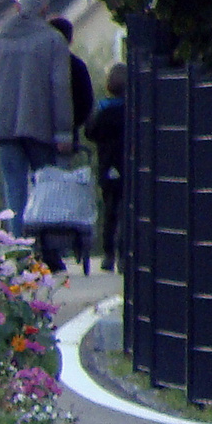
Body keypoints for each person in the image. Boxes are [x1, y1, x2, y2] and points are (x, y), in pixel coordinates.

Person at [0, 0, 73, 265]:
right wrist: (64, 130)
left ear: (17, 8)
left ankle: (18, 249)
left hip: (6, 128)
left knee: (14, 190)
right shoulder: (53, 40)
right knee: (44, 191)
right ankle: (46, 252)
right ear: (44, 10)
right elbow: (60, 87)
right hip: (42, 128)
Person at [85, 63, 127, 271]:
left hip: (108, 165)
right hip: (128, 165)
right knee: (128, 209)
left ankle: (108, 253)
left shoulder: (103, 109)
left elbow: (90, 132)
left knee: (110, 209)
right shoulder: (134, 109)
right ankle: (125, 254)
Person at [49, 16, 95, 148]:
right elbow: (86, 102)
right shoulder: (77, 66)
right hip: (68, 133)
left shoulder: (38, 65)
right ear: (70, 40)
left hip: (37, 132)